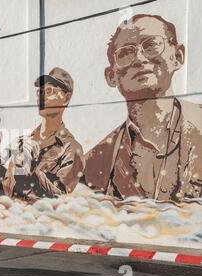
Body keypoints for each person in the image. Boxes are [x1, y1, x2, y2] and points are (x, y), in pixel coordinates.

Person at [83, 14, 202, 202]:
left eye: (151, 45)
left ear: (177, 57)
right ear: (111, 76)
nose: (139, 59)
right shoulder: (95, 163)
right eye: (125, 53)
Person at [2, 67, 85, 203]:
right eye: (39, 92)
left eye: (49, 91)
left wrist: (34, 170)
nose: (41, 96)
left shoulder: (72, 149)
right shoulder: (24, 142)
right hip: (17, 218)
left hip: (44, 221)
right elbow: (7, 191)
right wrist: (18, 165)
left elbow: (61, 197)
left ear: (66, 97)